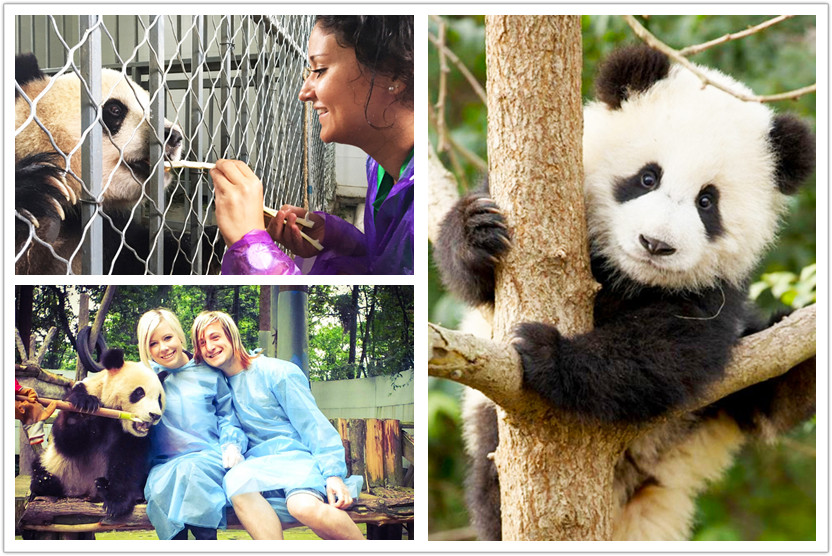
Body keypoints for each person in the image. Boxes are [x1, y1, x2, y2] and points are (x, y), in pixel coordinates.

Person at [212, 15, 414, 275]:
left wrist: (250, 247)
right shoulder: (380, 167)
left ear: (394, 73)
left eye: (319, 70)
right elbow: (388, 268)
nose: (304, 92)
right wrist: (338, 237)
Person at [191, 310, 364, 540]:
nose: (209, 347)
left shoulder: (277, 372)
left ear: (231, 337)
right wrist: (231, 446)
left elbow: (312, 424)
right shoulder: (219, 387)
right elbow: (230, 427)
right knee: (236, 483)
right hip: (259, 468)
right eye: (202, 343)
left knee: (301, 506)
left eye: (215, 337)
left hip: (297, 462)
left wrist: (333, 474)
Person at [138, 309, 248, 540]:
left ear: (179, 336)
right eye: (153, 343)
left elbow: (227, 417)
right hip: (164, 467)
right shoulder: (144, 380)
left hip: (207, 461)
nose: (163, 348)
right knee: (167, 488)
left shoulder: (209, 373)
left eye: (167, 338)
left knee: (192, 474)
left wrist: (232, 445)